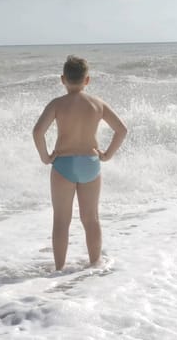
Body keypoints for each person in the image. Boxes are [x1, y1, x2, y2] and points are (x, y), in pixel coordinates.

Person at [32, 55, 127, 271]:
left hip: (63, 165)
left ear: (63, 79)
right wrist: (107, 155)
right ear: (87, 80)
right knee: (91, 219)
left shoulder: (57, 104)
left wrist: (45, 157)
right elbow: (122, 130)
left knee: (61, 221)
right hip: (90, 165)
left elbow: (38, 131)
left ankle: (59, 270)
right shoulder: (97, 104)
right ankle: (96, 265)